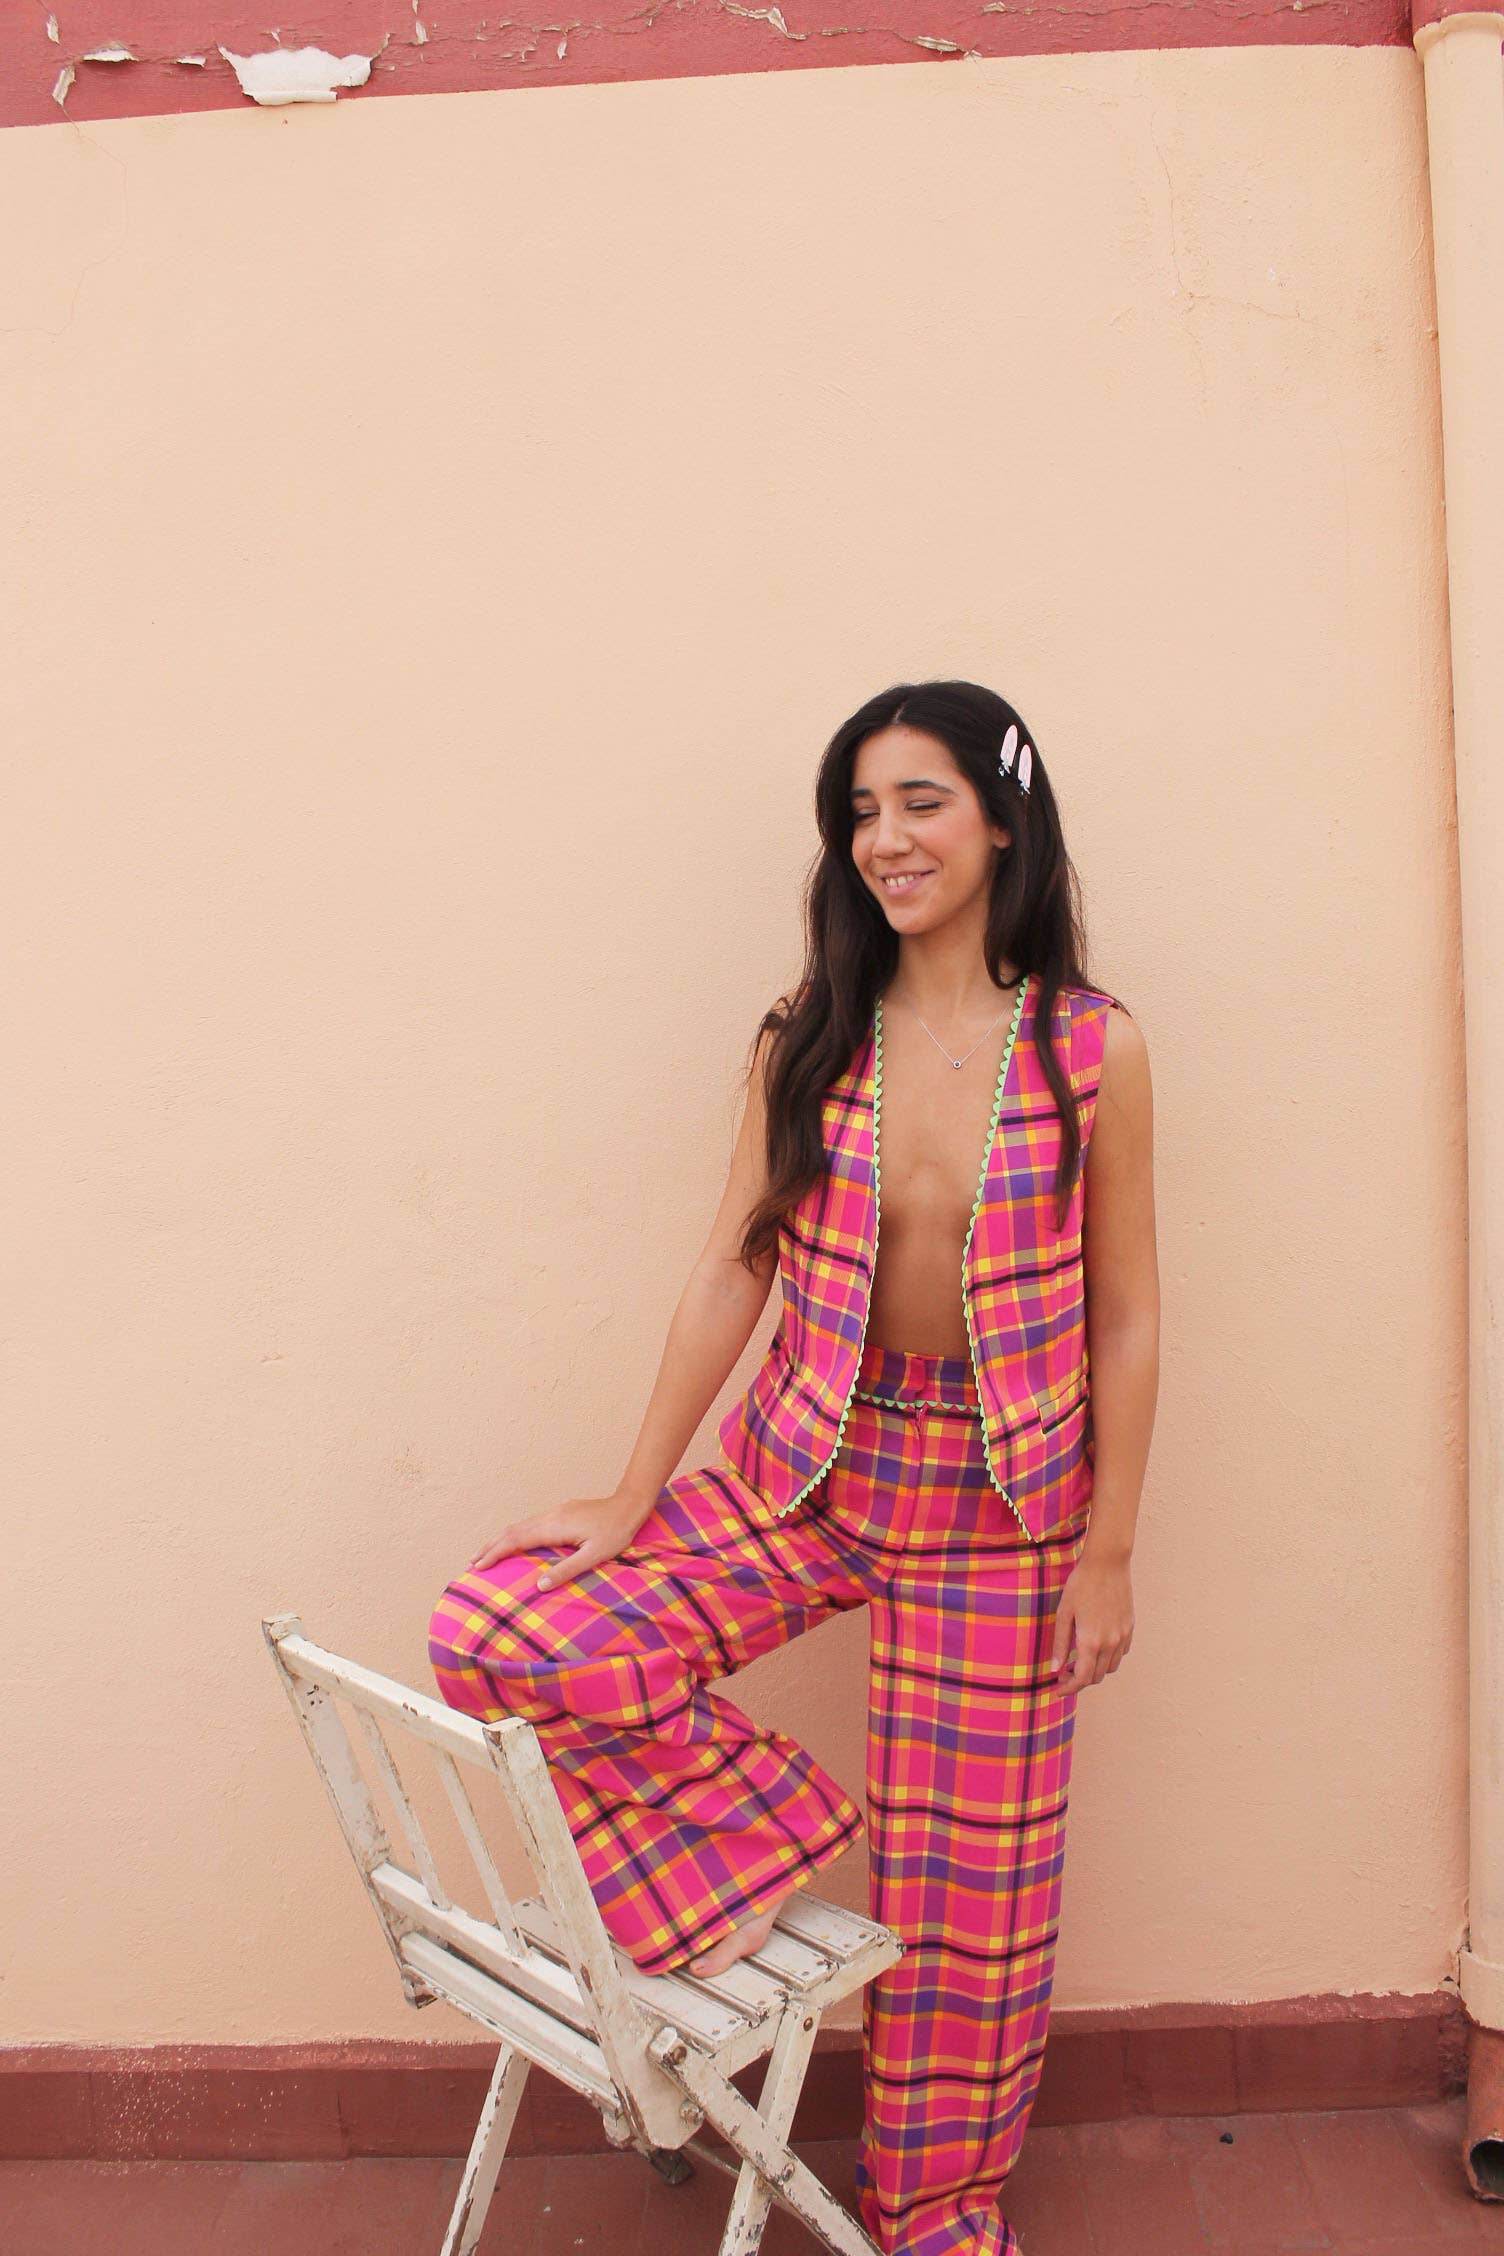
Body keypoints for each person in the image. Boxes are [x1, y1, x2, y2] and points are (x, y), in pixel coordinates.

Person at [428, 678, 1158, 2256]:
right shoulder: (814, 1034)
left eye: (920, 802)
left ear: (1004, 820)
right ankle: (762, 1844)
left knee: (970, 1910)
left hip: (1003, 1515)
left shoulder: (1091, 1048)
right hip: (808, 1472)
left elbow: (1128, 1312)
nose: (885, 838)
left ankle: (936, 2213)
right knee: (503, 1625)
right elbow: (731, 1267)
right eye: (861, 811)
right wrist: (634, 1491)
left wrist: (1108, 1549)